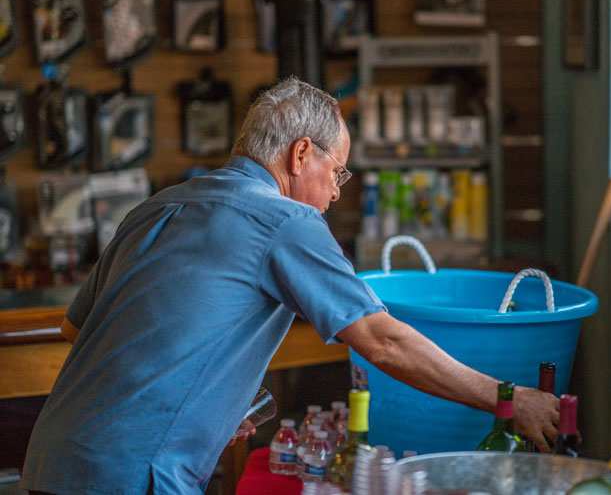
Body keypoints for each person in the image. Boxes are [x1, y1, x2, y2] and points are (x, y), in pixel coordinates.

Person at [22, 78, 558, 494]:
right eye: (339, 173)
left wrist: (213, 394)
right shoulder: (286, 221)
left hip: (52, 457)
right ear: (302, 154)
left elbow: (78, 329)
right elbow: (383, 340)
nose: (336, 195)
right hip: (133, 474)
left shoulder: (157, 204)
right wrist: (509, 399)